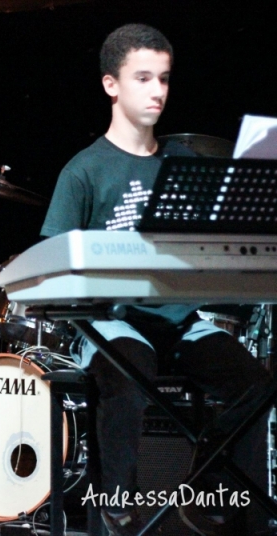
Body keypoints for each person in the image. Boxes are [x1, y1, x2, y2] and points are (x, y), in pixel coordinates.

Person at [40, 24, 272, 536]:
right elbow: (52, 257)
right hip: (113, 323)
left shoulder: (182, 162)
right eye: (143, 78)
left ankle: (208, 491)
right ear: (111, 85)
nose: (158, 91)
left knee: (255, 383)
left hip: (179, 320)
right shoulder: (85, 170)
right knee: (129, 367)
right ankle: (116, 505)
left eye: (163, 78)